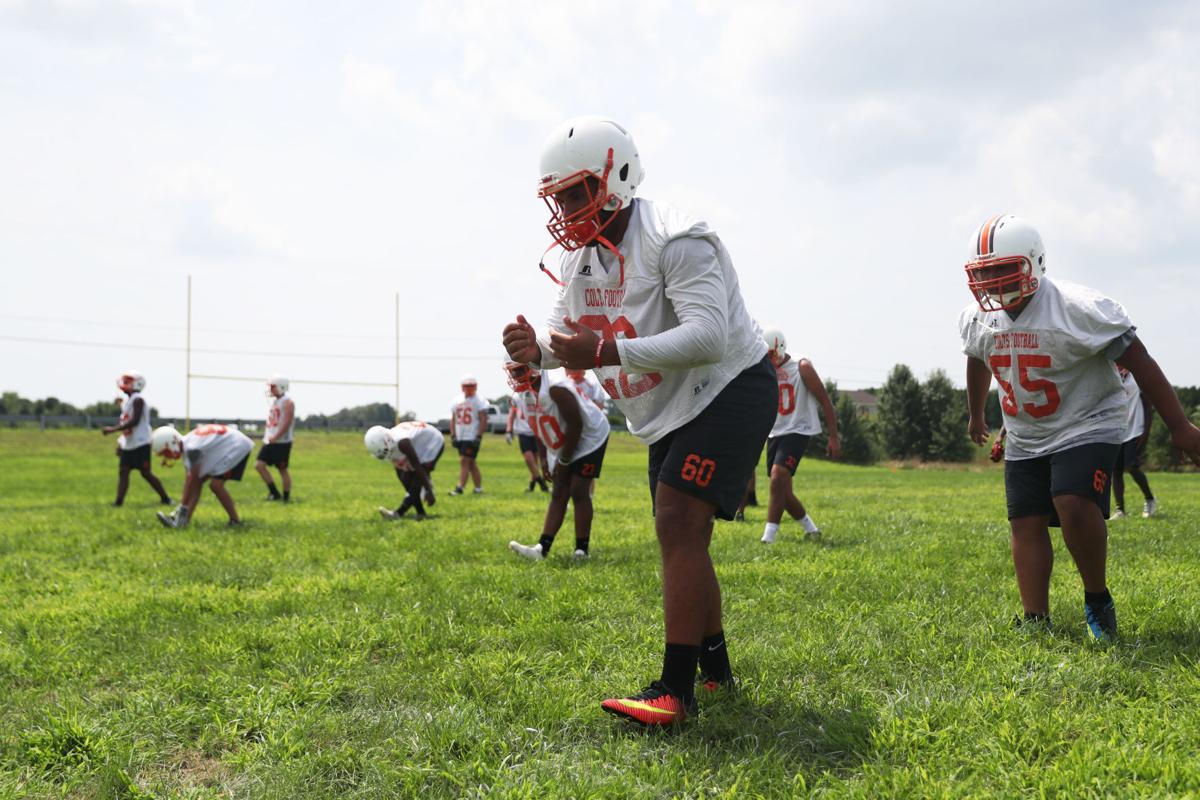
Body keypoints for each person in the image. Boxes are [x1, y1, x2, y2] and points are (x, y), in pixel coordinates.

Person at [502, 116, 775, 726]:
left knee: (677, 521)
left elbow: (708, 336)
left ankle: (672, 691)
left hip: (729, 385)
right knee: (683, 536)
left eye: (578, 192)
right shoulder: (581, 262)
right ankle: (716, 673)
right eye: (560, 198)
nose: (568, 210)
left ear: (616, 175)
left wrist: (603, 353)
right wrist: (529, 350)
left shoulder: (675, 236)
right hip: (667, 406)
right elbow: (563, 341)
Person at [960, 214, 1200, 642]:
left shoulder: (1079, 309)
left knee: (1070, 500)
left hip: (1088, 418)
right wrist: (978, 413)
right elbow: (978, 357)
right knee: (1025, 520)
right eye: (985, 274)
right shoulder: (979, 319)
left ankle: (1096, 600)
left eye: (1002, 270)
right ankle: (1035, 618)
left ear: (1033, 264)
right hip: (1027, 429)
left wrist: (1179, 426)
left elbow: (1139, 357)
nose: (993, 284)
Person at [506, 362, 610, 561]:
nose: (515, 374)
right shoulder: (524, 394)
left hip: (591, 436)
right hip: (565, 435)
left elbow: (576, 425)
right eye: (512, 370)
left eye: (520, 369)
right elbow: (537, 426)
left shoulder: (556, 387)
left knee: (579, 490)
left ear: (534, 367)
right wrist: (545, 459)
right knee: (559, 491)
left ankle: (582, 550)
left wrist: (563, 461)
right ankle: (541, 549)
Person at [756, 327, 841, 544]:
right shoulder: (764, 368)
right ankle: (812, 530)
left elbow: (824, 399)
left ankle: (769, 537)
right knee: (782, 491)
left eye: (771, 354)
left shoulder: (802, 367)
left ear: (780, 348)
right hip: (775, 431)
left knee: (777, 478)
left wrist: (833, 436)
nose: (769, 359)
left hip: (798, 429)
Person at [151, 423, 253, 528]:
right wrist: (183, 507)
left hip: (237, 446)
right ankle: (184, 520)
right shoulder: (189, 444)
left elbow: (192, 479)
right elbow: (194, 483)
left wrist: (182, 506)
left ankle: (235, 520)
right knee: (198, 483)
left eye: (165, 453)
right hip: (232, 445)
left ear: (172, 443)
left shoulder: (191, 449)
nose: (166, 457)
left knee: (216, 485)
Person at [103, 371, 171, 507]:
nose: (125, 383)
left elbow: (134, 421)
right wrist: (121, 443)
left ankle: (165, 498)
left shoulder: (138, 399)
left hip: (141, 443)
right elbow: (127, 424)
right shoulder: (128, 401)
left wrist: (113, 429)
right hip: (129, 443)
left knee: (145, 473)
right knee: (123, 471)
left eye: (129, 381)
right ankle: (118, 502)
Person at [364, 421, 442, 521]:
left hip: (432, 441)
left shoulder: (402, 442)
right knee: (406, 478)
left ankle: (398, 513)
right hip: (416, 442)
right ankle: (421, 513)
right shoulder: (388, 442)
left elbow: (418, 467)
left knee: (417, 478)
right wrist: (410, 489)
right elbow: (400, 474)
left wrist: (428, 490)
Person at [1111, 367, 1156, 519]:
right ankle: (1120, 510)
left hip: (1135, 429)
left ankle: (1150, 499)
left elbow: (1148, 407)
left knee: (1131, 466)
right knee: (1116, 471)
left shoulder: (1136, 375)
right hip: (1116, 430)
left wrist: (1146, 432)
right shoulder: (1111, 374)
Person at [255, 375, 295, 502]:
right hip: (270, 440)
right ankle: (274, 493)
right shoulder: (275, 401)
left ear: (281, 387)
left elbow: (287, 421)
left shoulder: (288, 401)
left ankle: (286, 497)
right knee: (259, 465)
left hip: (281, 442)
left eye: (273, 387)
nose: (270, 389)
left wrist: (277, 436)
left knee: (282, 469)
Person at [449, 375, 488, 495]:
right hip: (461, 435)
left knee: (464, 461)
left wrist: (479, 436)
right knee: (471, 463)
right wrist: (453, 435)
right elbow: (453, 419)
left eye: (471, 386)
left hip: (472, 435)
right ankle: (478, 488)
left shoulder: (480, 400)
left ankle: (460, 487)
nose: (469, 388)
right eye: (467, 386)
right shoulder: (457, 400)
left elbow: (483, 419)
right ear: (462, 387)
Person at [506, 386, 549, 493]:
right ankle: (542, 483)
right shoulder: (517, 396)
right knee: (529, 460)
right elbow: (512, 414)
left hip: (537, 430)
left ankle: (532, 485)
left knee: (535, 461)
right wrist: (509, 430)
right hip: (523, 431)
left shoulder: (539, 393)